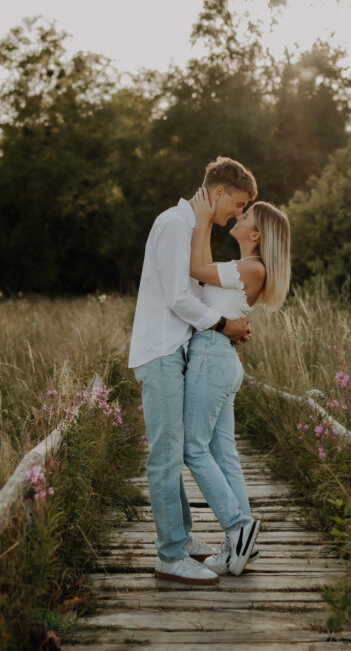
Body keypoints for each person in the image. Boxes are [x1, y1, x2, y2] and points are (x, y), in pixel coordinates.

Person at [128, 157, 256, 586]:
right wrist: (223, 325)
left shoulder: (189, 226)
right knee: (166, 457)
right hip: (161, 351)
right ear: (218, 192)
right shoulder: (173, 224)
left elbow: (198, 288)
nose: (236, 215)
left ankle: (180, 541)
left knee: (177, 450)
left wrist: (230, 316)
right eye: (237, 205)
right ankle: (168, 555)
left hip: (175, 350)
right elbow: (179, 298)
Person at [183, 185, 291, 576]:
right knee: (223, 451)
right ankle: (239, 544)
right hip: (221, 357)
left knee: (193, 449)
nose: (238, 217)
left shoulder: (251, 267)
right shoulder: (246, 267)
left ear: (256, 234)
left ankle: (238, 525)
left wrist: (201, 219)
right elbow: (206, 272)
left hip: (212, 358)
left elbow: (195, 270)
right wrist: (208, 224)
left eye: (245, 216)